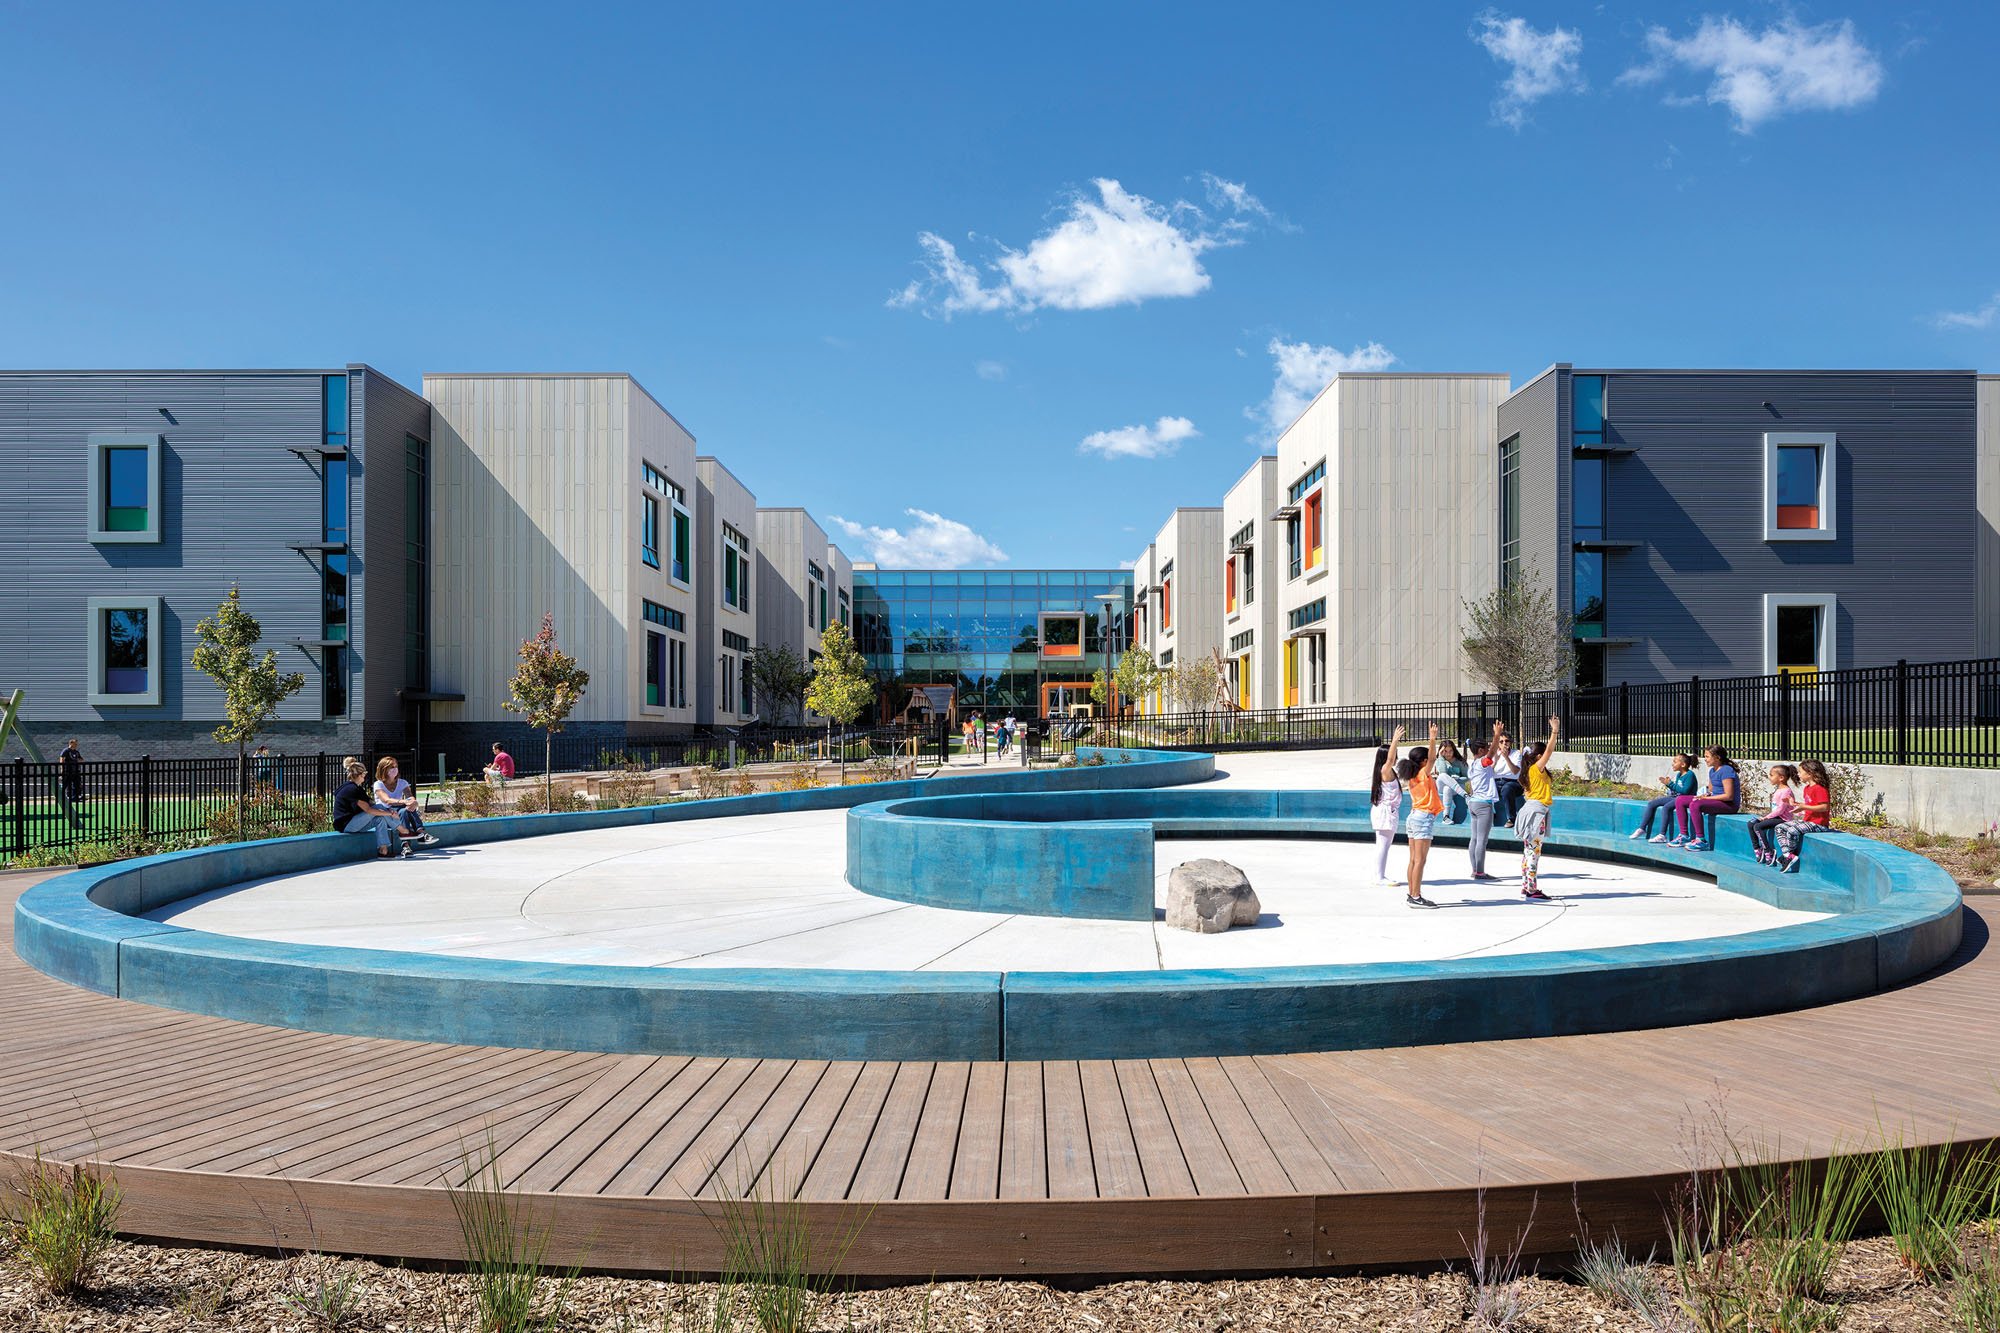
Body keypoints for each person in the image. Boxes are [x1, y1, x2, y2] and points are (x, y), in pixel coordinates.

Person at [1514, 715, 1561, 901]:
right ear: (1539, 757)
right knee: (1534, 851)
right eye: (1543, 756)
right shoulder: (1535, 768)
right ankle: (1531, 888)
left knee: (1529, 850)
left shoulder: (1528, 771)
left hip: (1531, 810)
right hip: (1536, 812)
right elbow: (1549, 751)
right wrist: (1554, 730)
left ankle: (1526, 885)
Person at [1399, 722, 1445, 909]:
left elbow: (1431, 759)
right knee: (1420, 860)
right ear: (1423, 761)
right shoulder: (1422, 773)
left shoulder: (1411, 774)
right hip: (1423, 818)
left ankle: (1412, 894)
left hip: (1414, 817)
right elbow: (1433, 758)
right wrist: (1432, 738)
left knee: (1413, 859)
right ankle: (1416, 896)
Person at [333, 757, 408, 859]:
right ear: (360, 775)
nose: (364, 778)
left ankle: (383, 851)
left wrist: (388, 810)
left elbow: (371, 803)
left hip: (355, 823)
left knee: (380, 819)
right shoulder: (351, 789)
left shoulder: (355, 788)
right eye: (364, 775)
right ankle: (402, 830)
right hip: (346, 825)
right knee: (377, 811)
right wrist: (390, 814)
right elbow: (369, 810)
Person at [1673, 746, 1739, 851]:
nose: (1705, 759)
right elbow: (1711, 792)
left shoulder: (1726, 770)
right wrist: (1704, 796)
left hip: (1729, 805)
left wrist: (1706, 800)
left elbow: (1729, 796)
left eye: (1707, 756)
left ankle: (1701, 840)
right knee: (1680, 800)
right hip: (1717, 801)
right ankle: (1684, 836)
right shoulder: (1712, 771)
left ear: (1717, 757)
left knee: (1695, 805)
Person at [1773, 760, 1833, 873]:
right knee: (1779, 827)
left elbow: (1824, 807)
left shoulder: (1819, 788)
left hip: (1819, 824)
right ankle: (1787, 855)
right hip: (1808, 821)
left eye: (1800, 772)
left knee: (1791, 831)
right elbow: (1808, 806)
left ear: (1810, 774)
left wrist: (1804, 807)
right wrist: (1793, 804)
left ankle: (1788, 856)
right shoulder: (1807, 788)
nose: (1798, 775)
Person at [1369, 727, 1407, 893]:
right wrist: (1395, 739)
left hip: (1388, 812)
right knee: (1383, 846)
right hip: (1385, 813)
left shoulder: (1389, 772)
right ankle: (1379, 877)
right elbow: (1390, 759)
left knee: (1384, 845)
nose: (1395, 756)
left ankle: (1380, 875)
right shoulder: (1385, 769)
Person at [372, 756, 436, 848]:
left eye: (396, 766)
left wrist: (414, 802)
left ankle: (407, 846)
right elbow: (386, 800)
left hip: (399, 813)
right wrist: (404, 801)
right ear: (384, 769)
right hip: (386, 815)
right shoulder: (378, 784)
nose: (395, 769)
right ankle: (420, 836)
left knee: (406, 810)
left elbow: (410, 796)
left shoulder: (402, 783)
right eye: (392, 767)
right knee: (404, 810)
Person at [1633, 753, 1698, 842]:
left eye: (1675, 762)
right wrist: (1669, 784)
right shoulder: (1679, 775)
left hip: (1684, 800)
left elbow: (1685, 791)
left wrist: (1670, 784)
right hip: (1677, 798)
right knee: (1652, 804)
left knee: (1666, 808)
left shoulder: (1690, 775)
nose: (1672, 764)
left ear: (1683, 764)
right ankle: (1642, 828)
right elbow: (1677, 790)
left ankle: (1662, 835)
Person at [1463, 737, 1500, 881]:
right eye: (1485, 748)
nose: (1487, 751)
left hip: (1473, 803)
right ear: (1480, 750)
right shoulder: (1481, 763)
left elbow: (1492, 756)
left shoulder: (1472, 764)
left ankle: (1475, 870)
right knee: (1481, 841)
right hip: (1484, 805)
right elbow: (1489, 756)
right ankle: (1480, 872)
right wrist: (1496, 736)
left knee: (1474, 839)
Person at [1747, 764, 1799, 865]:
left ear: (1781, 778)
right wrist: (1767, 817)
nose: (1769, 777)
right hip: (1775, 816)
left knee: (1758, 826)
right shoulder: (1778, 790)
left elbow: (1780, 810)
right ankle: (1757, 848)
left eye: (1771, 775)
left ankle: (1768, 851)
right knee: (1751, 823)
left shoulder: (1786, 792)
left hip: (1783, 819)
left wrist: (1766, 817)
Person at [1488, 722, 1524, 824]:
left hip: (1513, 783)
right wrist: (1496, 759)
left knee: (1507, 788)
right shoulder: (1495, 754)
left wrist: (1506, 757)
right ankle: (1491, 813)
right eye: (1501, 741)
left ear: (1510, 742)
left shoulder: (1516, 754)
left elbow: (1515, 771)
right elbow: (1489, 771)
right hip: (1497, 782)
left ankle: (1511, 818)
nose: (1504, 743)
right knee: (1486, 786)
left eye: (1507, 741)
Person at [1436, 740, 1469, 825]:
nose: (1448, 754)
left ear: (1454, 750)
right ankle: (1465, 795)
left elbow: (1467, 778)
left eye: (1450, 751)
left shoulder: (1460, 761)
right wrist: (1440, 756)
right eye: (1445, 751)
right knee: (1442, 775)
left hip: (1457, 787)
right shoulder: (1440, 760)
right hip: (1441, 786)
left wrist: (1458, 778)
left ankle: (1446, 816)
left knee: (1448, 788)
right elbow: (1442, 772)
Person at [58, 738, 84, 808]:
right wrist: (62, 770)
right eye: (75, 744)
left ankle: (74, 798)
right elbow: (61, 759)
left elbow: (81, 759)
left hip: (75, 771)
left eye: (77, 744)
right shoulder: (66, 751)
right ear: (71, 743)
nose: (76, 745)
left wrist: (78, 760)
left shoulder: (76, 752)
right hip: (67, 770)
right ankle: (60, 797)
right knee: (65, 784)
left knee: (76, 784)